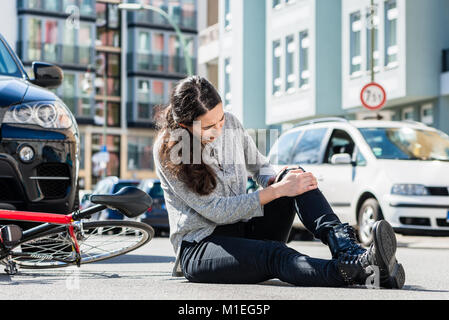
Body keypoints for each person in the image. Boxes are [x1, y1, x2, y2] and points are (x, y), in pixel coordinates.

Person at [153, 76, 405, 289]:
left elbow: (259, 167)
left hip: (243, 228)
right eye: (209, 126)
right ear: (185, 125)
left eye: (220, 119)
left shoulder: (229, 123)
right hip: (202, 247)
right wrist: (275, 191)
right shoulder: (169, 150)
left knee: (294, 175)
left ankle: (348, 251)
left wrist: (279, 180)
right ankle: (358, 271)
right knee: (274, 254)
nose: (220, 128)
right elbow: (216, 211)